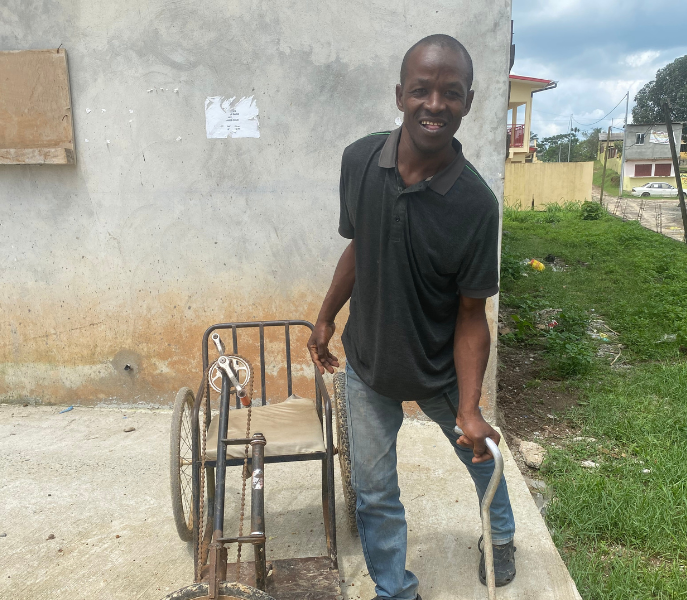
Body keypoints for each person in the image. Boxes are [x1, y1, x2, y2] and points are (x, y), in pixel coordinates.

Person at [306, 34, 516, 600]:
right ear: (400, 95)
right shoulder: (359, 160)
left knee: (481, 457)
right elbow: (358, 247)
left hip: (438, 367)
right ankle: (396, 590)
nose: (435, 104)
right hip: (368, 363)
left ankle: (500, 537)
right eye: (421, 90)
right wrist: (325, 318)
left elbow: (473, 314)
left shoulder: (474, 205)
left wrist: (469, 408)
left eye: (451, 93)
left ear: (468, 101)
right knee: (375, 493)